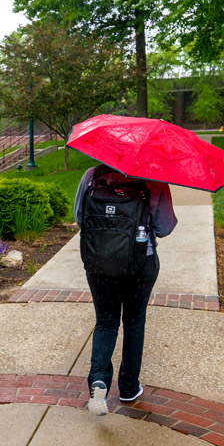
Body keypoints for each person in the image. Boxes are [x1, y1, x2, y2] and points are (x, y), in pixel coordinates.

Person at [74, 163, 177, 416]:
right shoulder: (154, 180)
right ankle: (129, 387)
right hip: (141, 262)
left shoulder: (91, 176)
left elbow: (80, 218)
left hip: (98, 261)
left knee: (106, 322)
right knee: (133, 323)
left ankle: (98, 382)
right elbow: (165, 228)